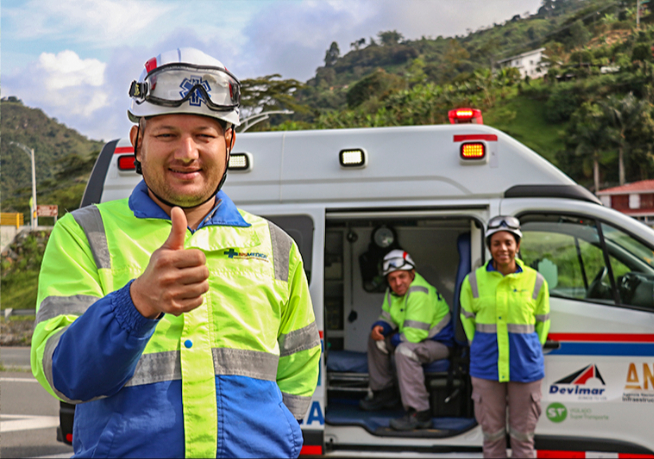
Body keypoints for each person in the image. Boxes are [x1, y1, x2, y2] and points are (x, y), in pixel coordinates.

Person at [30, 48, 320, 459]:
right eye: (167, 134)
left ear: (229, 142)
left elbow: (298, 373)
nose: (187, 152)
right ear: (138, 142)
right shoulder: (83, 234)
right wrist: (137, 303)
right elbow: (66, 375)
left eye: (205, 135)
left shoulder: (276, 246)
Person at [459, 216, 550, 458]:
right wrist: (477, 344)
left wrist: (532, 349)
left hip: (525, 367)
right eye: (496, 243)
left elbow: (542, 322)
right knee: (492, 438)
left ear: (518, 245)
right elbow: (467, 318)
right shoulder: (473, 281)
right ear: (489, 247)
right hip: (486, 366)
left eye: (509, 243)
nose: (503, 249)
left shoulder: (536, 281)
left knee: (523, 439)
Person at [359, 249, 454, 431]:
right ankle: (384, 393)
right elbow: (387, 317)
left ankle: (420, 413)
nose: (397, 283)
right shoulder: (392, 292)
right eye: (392, 279)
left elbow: (411, 337)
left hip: (440, 344)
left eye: (402, 276)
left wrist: (391, 338)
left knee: (405, 351)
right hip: (417, 339)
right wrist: (380, 327)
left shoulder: (419, 293)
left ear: (412, 274)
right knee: (375, 340)